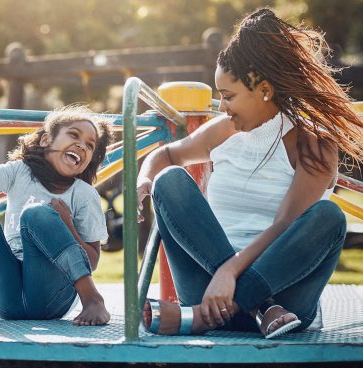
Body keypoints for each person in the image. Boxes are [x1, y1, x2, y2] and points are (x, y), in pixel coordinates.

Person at [137, 8, 363, 339]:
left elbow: (285, 225)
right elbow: (167, 154)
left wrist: (231, 272)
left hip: (286, 298)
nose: (223, 106)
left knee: (328, 217)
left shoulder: (313, 143)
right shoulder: (222, 131)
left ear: (263, 88)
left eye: (229, 96)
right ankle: (256, 307)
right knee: (169, 181)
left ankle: (202, 318)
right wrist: (145, 178)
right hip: (212, 288)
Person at [0, 101, 115, 327]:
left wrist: (66, 224)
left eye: (90, 146)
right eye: (73, 135)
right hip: (5, 298)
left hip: (50, 298)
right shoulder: (20, 172)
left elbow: (93, 260)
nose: (81, 146)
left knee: (37, 215)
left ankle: (93, 300)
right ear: (45, 140)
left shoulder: (84, 195)